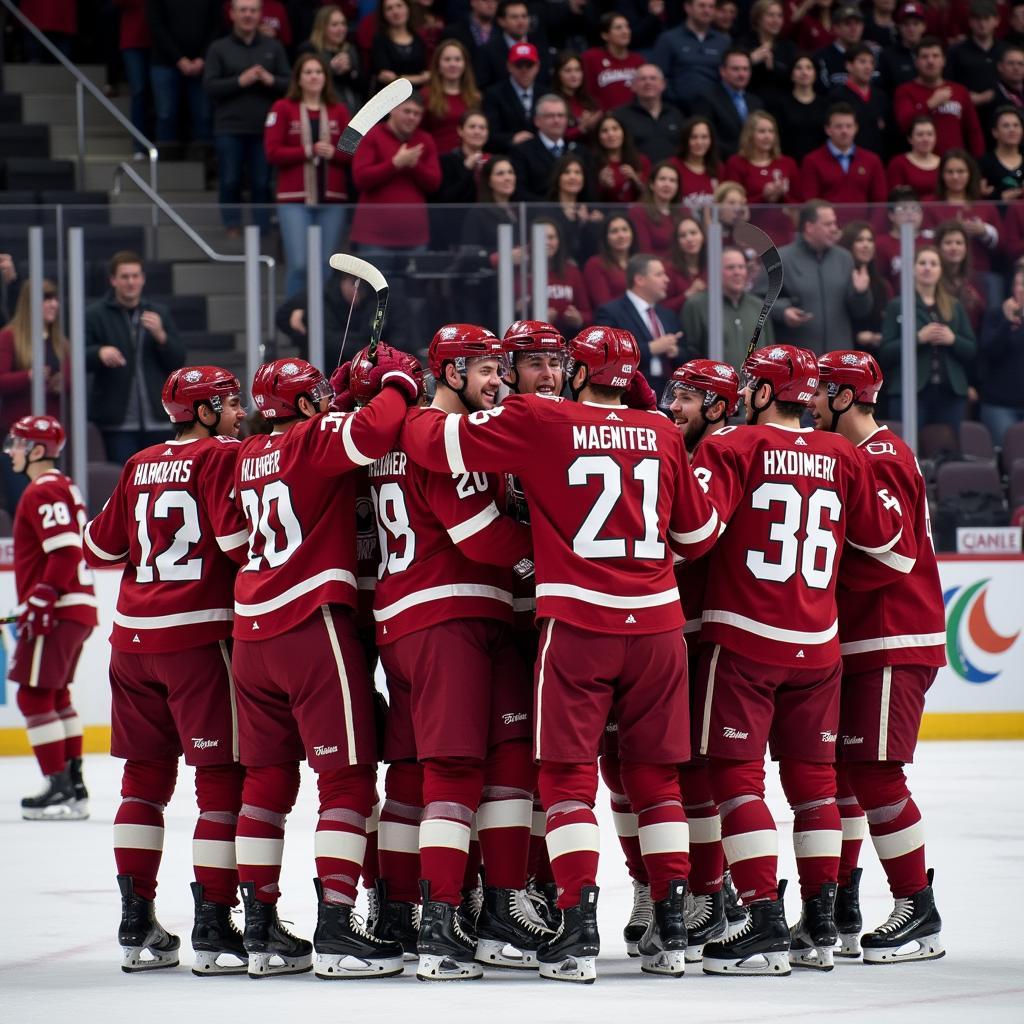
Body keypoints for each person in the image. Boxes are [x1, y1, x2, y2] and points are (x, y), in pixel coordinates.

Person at [401, 325, 722, 983]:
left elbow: (432, 442)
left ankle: (576, 931)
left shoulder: (540, 419)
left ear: (576, 372)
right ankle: (672, 930)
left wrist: (398, 398)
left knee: (568, 778)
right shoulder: (662, 430)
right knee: (656, 782)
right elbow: (699, 532)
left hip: (578, 625)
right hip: (658, 626)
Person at [690, 343, 910, 976]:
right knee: (815, 786)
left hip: (744, 638)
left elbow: (693, 533)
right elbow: (885, 544)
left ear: (760, 392)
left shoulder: (734, 447)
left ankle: (759, 919)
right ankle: (818, 925)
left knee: (736, 778)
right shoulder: (844, 454)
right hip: (818, 644)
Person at [229, 352, 418, 979]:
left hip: (251, 631)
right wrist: (396, 382)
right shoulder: (316, 438)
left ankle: (259, 930)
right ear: (309, 406)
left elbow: (235, 539)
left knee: (266, 781)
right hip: (311, 625)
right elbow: (370, 430)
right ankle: (337, 928)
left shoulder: (246, 453)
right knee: (348, 779)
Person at [366, 327, 545, 979]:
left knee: (477, 757)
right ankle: (441, 923)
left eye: (501, 368)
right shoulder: (440, 438)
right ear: (449, 372)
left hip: (425, 615)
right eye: (485, 369)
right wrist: (552, 559)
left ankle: (470, 910)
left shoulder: (404, 434)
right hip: (448, 614)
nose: (497, 379)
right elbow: (480, 535)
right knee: (452, 770)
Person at [82, 367, 248, 973]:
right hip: (199, 640)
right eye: (229, 404)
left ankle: (135, 923)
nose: (238, 413)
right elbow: (240, 545)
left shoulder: (138, 462)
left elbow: (100, 547)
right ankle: (212, 926)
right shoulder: (224, 457)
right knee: (220, 781)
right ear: (203, 412)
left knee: (143, 786)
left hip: (130, 642)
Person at [811, 350, 946, 965]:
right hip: (864, 638)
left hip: (891, 635)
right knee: (843, 773)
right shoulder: (859, 455)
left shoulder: (882, 458)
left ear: (843, 397)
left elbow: (892, 553)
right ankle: (843, 901)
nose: (810, 403)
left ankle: (917, 908)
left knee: (874, 772)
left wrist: (815, 580)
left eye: (819, 393)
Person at [6, 415, 95, 822]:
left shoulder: (41, 490)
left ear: (38, 451)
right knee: (55, 695)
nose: (12, 451)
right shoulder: (62, 486)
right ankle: (73, 787)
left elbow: (64, 550)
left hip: (59, 608)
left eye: (19, 444)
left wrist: (43, 597)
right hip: (75, 606)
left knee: (32, 693)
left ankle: (59, 787)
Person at [264, 54, 352, 299]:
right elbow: (271, 152)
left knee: (326, 265)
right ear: (298, 79)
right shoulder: (282, 108)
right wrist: (308, 150)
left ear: (326, 78)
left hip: (332, 199)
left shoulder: (340, 111)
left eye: (319, 72)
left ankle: (321, 320)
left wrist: (334, 152)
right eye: (308, 72)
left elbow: (353, 152)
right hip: (294, 199)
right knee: (300, 263)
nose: (314, 77)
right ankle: (294, 318)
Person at [85, 251, 185, 464]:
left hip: (158, 417)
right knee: (124, 482)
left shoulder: (159, 313)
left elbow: (178, 361)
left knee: (160, 481)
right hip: (116, 420)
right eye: (125, 276)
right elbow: (77, 357)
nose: (131, 282)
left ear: (143, 279)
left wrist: (161, 336)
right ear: (113, 280)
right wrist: (98, 353)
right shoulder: (95, 314)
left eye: (135, 276)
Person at [204, 0, 290, 235]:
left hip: (265, 129)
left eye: (253, 10)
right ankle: (231, 226)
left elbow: (290, 83)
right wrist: (239, 81)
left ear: (261, 14)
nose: (248, 15)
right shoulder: (218, 48)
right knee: (230, 180)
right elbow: (209, 87)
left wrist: (271, 80)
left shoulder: (274, 46)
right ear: (232, 14)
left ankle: (262, 229)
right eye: (243, 10)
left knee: (261, 183)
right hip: (228, 127)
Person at [879, 246, 978, 431]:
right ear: (913, 269)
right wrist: (917, 338)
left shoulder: (955, 306)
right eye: (922, 263)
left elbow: (971, 349)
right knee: (907, 453)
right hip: (909, 393)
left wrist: (953, 340)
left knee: (948, 453)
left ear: (941, 270)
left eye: (933, 264)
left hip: (950, 393)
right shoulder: (897, 305)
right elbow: (885, 353)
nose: (927, 268)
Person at [0, 279, 69, 511]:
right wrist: (29, 376)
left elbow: (73, 380)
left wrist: (61, 384)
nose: (53, 305)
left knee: (49, 506)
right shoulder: (9, 337)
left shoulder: (60, 342)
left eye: (55, 299)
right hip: (19, 438)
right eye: (46, 300)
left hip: (51, 439)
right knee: (23, 504)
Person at [772, 201, 873, 353]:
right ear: (809, 227)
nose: (835, 229)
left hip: (837, 361)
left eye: (835, 223)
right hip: (798, 362)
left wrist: (861, 293)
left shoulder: (844, 258)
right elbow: (758, 301)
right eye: (828, 224)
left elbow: (860, 312)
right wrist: (783, 311)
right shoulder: (781, 259)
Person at [349, 92, 441, 254]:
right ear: (392, 110)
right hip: (373, 237)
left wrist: (414, 165)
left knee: (414, 280)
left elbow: (434, 183)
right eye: (407, 111)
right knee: (375, 280)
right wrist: (395, 164)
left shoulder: (425, 140)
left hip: (414, 236)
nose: (412, 117)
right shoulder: (372, 135)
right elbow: (360, 178)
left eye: (417, 113)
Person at [595, 253, 684, 394]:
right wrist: (651, 348)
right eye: (659, 275)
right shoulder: (611, 312)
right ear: (640, 279)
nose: (666, 280)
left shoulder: (667, 315)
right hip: (630, 393)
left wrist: (676, 351)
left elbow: (687, 353)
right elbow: (606, 353)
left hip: (667, 395)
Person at [145, 0, 218, 157]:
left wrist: (203, 58)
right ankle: (166, 166)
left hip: (202, 63)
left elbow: (217, 26)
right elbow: (156, 26)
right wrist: (179, 59)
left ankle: (203, 167)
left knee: (203, 115)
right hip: (165, 61)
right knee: (165, 114)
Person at [682, 245, 777, 364]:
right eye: (730, 267)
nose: (737, 272)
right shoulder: (696, 306)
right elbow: (689, 354)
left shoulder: (759, 306)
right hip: (716, 381)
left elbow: (770, 352)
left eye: (741, 267)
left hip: (754, 382)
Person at [893, 37, 985, 157]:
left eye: (935, 56)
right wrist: (930, 104)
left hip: (954, 166)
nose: (930, 61)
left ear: (943, 60)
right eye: (924, 57)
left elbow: (973, 131)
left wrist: (978, 165)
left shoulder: (959, 91)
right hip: (921, 163)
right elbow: (905, 125)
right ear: (916, 62)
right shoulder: (905, 91)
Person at [722, 109, 801, 243]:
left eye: (771, 131)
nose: (767, 136)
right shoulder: (736, 163)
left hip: (783, 232)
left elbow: (798, 203)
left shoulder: (787, 163)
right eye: (762, 131)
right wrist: (764, 196)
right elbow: (732, 207)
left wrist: (781, 195)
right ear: (750, 135)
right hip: (750, 233)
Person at [274, 270, 376, 367]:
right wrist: (305, 322)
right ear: (345, 281)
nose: (359, 293)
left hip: (354, 366)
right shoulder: (320, 295)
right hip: (319, 364)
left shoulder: (370, 301)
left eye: (363, 289)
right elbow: (282, 316)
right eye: (357, 286)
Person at [799, 103, 887, 214]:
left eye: (849, 126)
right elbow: (810, 203)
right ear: (828, 129)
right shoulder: (811, 161)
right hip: (828, 229)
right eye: (838, 126)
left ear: (856, 128)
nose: (844, 131)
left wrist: (869, 230)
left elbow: (880, 204)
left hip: (864, 229)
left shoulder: (872, 161)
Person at [927, 148, 1003, 276]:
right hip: (940, 274)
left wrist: (984, 232)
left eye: (961, 171)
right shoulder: (930, 204)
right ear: (942, 175)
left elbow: (1003, 247)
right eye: (950, 172)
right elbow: (923, 241)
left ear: (970, 174)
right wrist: (948, 231)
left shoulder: (985, 206)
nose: (955, 176)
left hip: (979, 274)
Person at [691, 49, 765, 161]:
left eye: (746, 69)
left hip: (753, 162)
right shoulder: (707, 99)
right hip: (722, 163)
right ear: (722, 71)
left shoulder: (755, 102)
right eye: (736, 69)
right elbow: (708, 137)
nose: (741, 74)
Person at [654, 0, 731, 105]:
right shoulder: (668, 39)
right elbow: (659, 75)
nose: (707, 11)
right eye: (702, 6)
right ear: (688, 8)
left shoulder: (723, 42)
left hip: (715, 107)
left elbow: (728, 77)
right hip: (678, 107)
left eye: (711, 7)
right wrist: (674, 98)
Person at [978, 267, 1024, 444]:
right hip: (999, 405)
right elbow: (989, 351)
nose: (1020, 289)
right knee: (1006, 455)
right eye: (1017, 284)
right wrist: (1008, 321)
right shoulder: (996, 315)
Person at [510, 93, 580, 201]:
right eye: (550, 116)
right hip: (538, 215)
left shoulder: (579, 151)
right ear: (537, 121)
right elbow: (519, 192)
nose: (556, 120)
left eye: (561, 115)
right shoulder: (521, 152)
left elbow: (589, 192)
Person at [613, 63, 686, 165]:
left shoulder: (675, 114)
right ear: (633, 86)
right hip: (636, 176)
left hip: (671, 177)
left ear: (663, 84)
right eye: (642, 79)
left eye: (653, 78)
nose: (648, 82)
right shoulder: (620, 116)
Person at [298, 5, 363, 111]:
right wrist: (330, 68)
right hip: (321, 109)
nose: (341, 29)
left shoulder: (350, 49)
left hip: (352, 110)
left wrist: (350, 72)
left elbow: (363, 85)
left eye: (343, 24)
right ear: (322, 27)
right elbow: (302, 81)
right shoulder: (309, 49)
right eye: (334, 25)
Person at [422, 39, 481, 154]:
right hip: (437, 159)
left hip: (468, 159)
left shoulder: (475, 97)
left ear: (465, 65)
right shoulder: (426, 95)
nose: (453, 64)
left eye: (457, 59)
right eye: (447, 59)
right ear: (438, 65)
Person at [840, 220, 892, 350]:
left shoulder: (881, 284)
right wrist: (856, 336)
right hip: (846, 354)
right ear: (848, 245)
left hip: (877, 357)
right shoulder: (839, 279)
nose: (866, 245)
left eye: (870, 240)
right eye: (859, 240)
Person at [768, 53, 828, 164]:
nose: (804, 72)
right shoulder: (780, 104)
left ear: (815, 73)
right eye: (798, 68)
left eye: (809, 68)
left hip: (820, 164)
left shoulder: (825, 105)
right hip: (789, 163)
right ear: (791, 74)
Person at [829, 43, 889, 155]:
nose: (868, 67)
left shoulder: (881, 96)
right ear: (849, 66)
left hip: (877, 160)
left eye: (871, 62)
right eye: (862, 62)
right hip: (848, 158)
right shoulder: (837, 96)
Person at [946, 0, 1006, 110]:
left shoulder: (1006, 51)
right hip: (966, 110)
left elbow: (1014, 83)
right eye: (977, 19)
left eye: (987, 18)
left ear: (997, 21)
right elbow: (948, 83)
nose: (982, 24)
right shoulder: (956, 51)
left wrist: (994, 93)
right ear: (970, 22)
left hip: (1002, 111)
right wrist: (965, 96)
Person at [534, 219, 591, 335]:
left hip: (566, 340)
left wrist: (578, 319)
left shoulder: (572, 271)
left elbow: (588, 314)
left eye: (551, 237)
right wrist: (539, 321)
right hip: (531, 342)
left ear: (559, 241)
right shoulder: (523, 272)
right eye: (542, 238)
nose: (547, 242)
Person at [482, 40, 540, 153]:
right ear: (509, 66)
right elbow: (489, 133)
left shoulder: (546, 94)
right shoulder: (494, 94)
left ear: (537, 66)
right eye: (519, 65)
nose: (524, 70)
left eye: (529, 65)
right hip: (507, 155)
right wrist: (511, 139)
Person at [581, 12, 645, 112]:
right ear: (605, 35)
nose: (625, 31)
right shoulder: (591, 58)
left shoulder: (638, 60)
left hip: (634, 119)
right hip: (604, 120)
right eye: (618, 28)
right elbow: (585, 91)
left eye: (627, 27)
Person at [934, 220, 987, 335]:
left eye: (959, 243)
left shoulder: (973, 280)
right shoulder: (932, 280)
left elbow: (983, 319)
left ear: (966, 248)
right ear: (938, 247)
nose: (954, 248)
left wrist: (976, 302)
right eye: (948, 243)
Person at [742, 0, 798, 102]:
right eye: (770, 15)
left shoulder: (788, 46)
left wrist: (773, 66)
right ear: (758, 18)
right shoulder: (744, 43)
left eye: (779, 16)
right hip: (750, 100)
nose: (776, 20)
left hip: (782, 102)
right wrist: (750, 60)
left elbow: (793, 77)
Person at [370, 0, 429, 93]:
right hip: (391, 98)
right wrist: (420, 79)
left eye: (399, 6)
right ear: (383, 14)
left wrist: (398, 78)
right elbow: (386, 77)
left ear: (408, 8)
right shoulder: (379, 41)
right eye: (389, 8)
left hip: (420, 96)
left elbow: (427, 71)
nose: (395, 12)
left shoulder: (418, 38)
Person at [436, 109, 492, 204]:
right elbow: (444, 199)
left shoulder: (493, 161)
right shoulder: (446, 161)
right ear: (460, 131)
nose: (477, 131)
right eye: (472, 127)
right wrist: (466, 169)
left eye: (482, 128)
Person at [628, 161, 682, 260]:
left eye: (672, 180)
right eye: (662, 179)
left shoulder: (684, 211)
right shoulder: (638, 212)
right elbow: (644, 253)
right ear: (652, 184)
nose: (667, 184)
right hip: (653, 270)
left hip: (682, 270)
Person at [592, 114, 650, 204]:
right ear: (598, 137)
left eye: (615, 129)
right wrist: (601, 185)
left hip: (636, 214)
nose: (611, 134)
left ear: (623, 132)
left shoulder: (641, 161)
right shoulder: (592, 163)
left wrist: (636, 180)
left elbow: (652, 194)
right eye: (604, 131)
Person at [583, 215, 637, 311]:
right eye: (614, 231)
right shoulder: (595, 264)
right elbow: (604, 304)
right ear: (605, 237)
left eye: (625, 230)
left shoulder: (639, 262)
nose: (621, 235)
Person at [671, 116, 721, 216]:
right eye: (694, 137)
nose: (699, 142)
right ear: (686, 140)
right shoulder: (673, 166)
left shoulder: (718, 168)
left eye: (704, 137)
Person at [550, 51, 602, 143]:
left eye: (577, 70)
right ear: (557, 74)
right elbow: (554, 136)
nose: (574, 75)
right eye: (568, 70)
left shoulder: (589, 100)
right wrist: (583, 128)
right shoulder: (552, 103)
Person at [814, 3, 869, 91]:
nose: (854, 28)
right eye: (847, 24)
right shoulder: (821, 57)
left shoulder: (872, 54)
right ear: (835, 28)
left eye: (858, 23)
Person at [879, 0, 928, 93]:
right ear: (899, 27)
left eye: (916, 24)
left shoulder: (933, 53)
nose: (911, 28)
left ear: (924, 26)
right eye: (906, 24)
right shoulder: (888, 55)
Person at [886, 115, 941, 198]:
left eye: (930, 134)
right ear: (910, 139)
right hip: (909, 210)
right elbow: (895, 197)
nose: (925, 139)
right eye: (920, 135)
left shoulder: (944, 163)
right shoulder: (898, 163)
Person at [664, 215, 708, 315]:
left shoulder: (713, 266)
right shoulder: (669, 270)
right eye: (683, 235)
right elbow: (661, 307)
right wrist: (688, 294)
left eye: (693, 233)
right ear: (677, 242)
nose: (689, 238)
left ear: (703, 237)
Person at [979, 105, 1024, 201]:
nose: (1012, 130)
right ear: (995, 132)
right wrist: (1000, 197)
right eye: (1006, 126)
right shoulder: (984, 163)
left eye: (1016, 125)